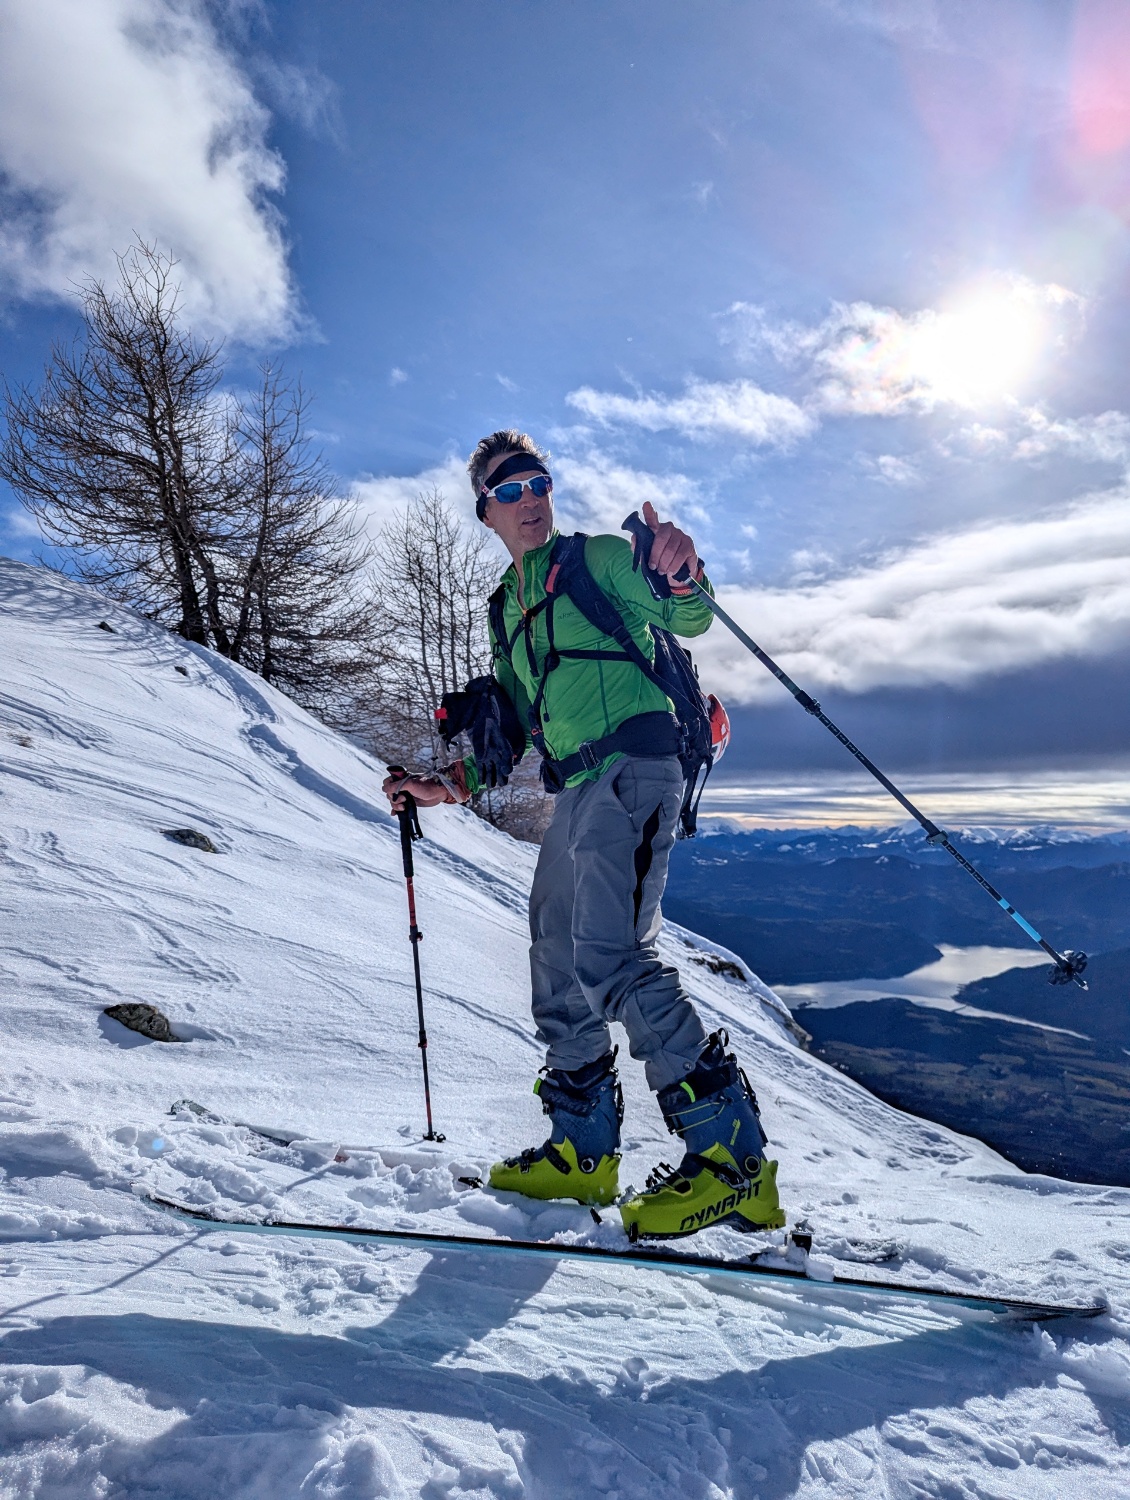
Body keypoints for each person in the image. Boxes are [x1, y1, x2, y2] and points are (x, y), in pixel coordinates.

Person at [383, 430, 785, 1240]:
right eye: (509, 489)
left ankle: (732, 1163)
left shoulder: (597, 559)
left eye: (537, 481)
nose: (528, 497)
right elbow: (518, 729)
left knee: (610, 955)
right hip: (577, 786)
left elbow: (683, 611)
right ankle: (583, 1149)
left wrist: (680, 566)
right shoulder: (509, 610)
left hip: (636, 764)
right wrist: (449, 786)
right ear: (486, 510)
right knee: (555, 957)